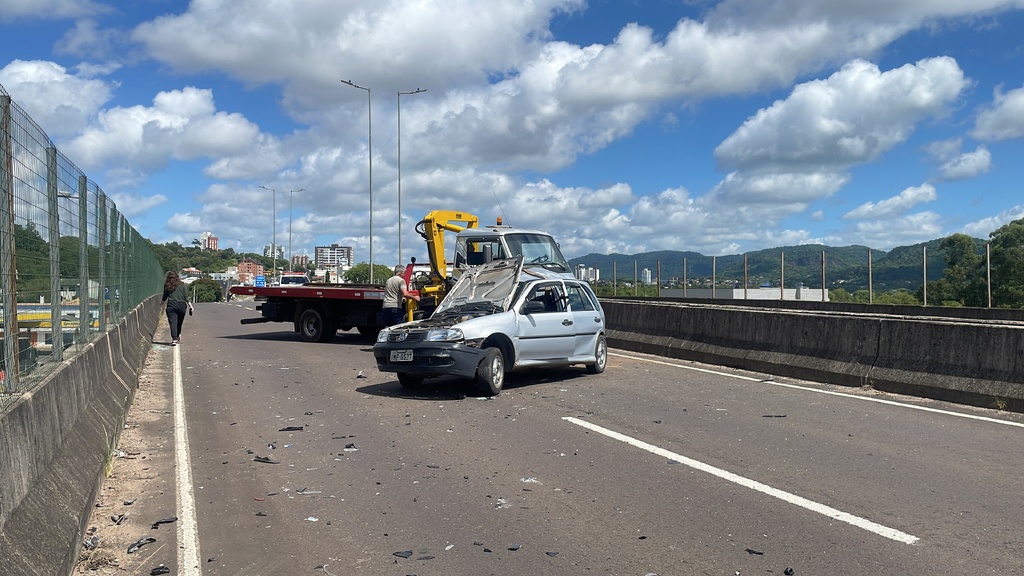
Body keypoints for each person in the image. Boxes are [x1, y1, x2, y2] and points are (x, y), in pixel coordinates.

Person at [162, 270, 193, 345]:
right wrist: (190, 305)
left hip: (171, 305)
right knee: (179, 322)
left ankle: (174, 339)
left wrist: (162, 302)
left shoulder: (167, 285)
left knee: (173, 323)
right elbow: (185, 296)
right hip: (181, 305)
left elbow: (165, 296)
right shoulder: (182, 284)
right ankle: (177, 336)